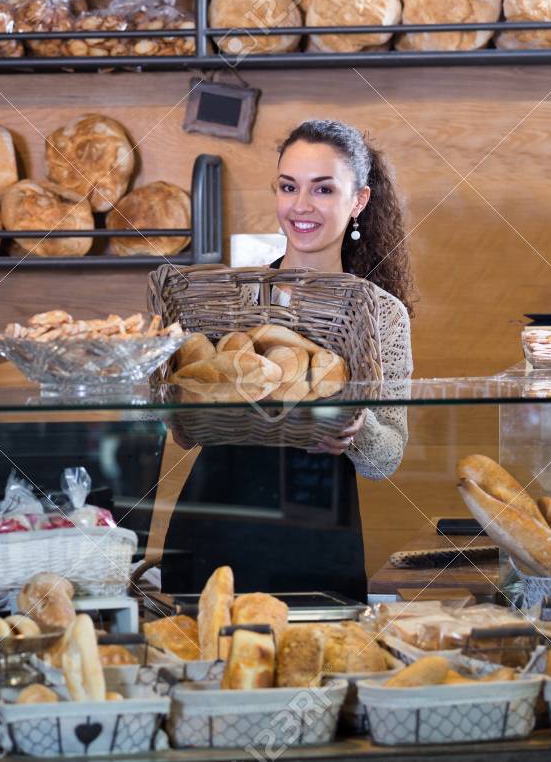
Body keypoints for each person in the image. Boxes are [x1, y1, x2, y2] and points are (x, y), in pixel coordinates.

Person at [157, 119, 417, 600]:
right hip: (214, 528)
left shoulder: (382, 315)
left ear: (358, 200)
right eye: (288, 187)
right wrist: (179, 398)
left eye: (323, 189)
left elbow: (387, 458)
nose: (301, 206)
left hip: (316, 541)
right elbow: (186, 434)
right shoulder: (232, 298)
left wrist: (356, 430)